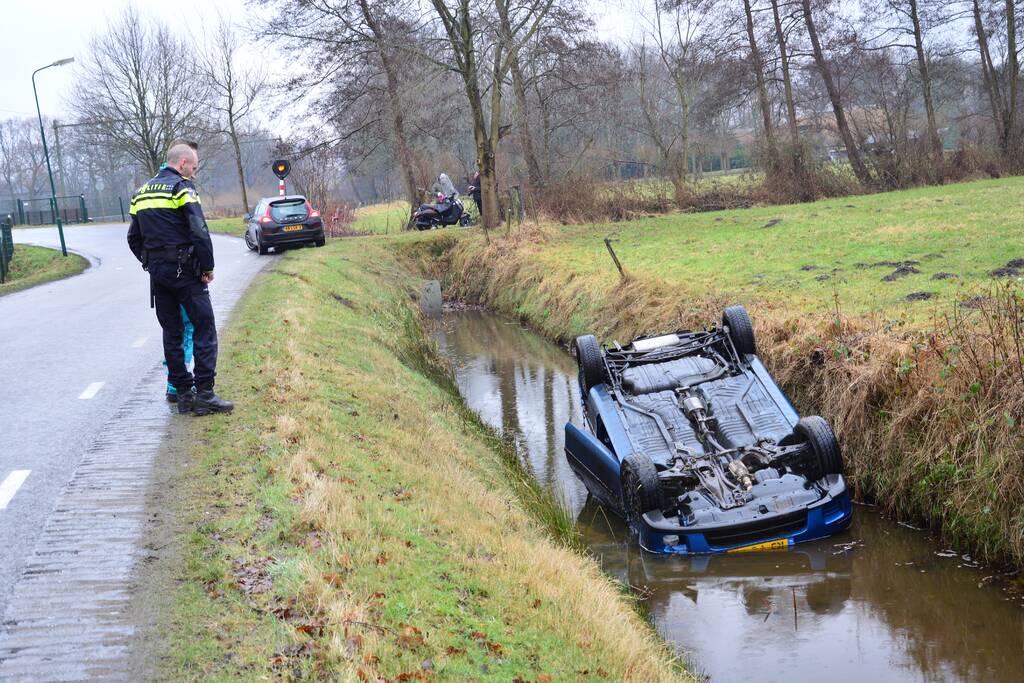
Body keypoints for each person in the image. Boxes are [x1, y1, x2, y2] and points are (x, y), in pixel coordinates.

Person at [127, 140, 233, 415]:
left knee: (171, 333)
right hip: (186, 272)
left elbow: (133, 237)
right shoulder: (181, 188)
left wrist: (151, 262)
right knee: (204, 328)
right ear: (183, 163)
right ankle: (205, 394)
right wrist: (207, 266)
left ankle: (184, 395)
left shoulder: (142, 192)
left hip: (159, 275)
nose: (194, 174)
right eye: (193, 167)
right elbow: (198, 229)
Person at [164, 305, 193, 403]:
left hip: (162, 292)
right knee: (188, 330)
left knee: (171, 334)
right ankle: (181, 386)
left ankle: (172, 385)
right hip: (183, 292)